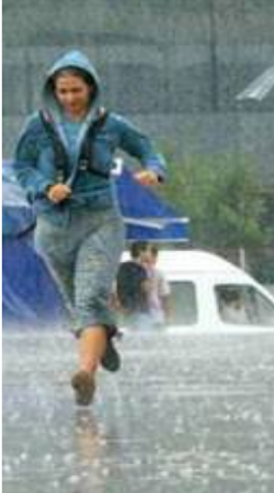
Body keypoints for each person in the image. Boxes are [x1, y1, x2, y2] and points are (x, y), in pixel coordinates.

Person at [12, 50, 166, 406]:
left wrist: (154, 171)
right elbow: (22, 167)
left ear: (91, 88)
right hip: (53, 227)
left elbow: (147, 149)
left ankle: (86, 373)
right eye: (63, 91)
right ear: (53, 91)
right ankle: (103, 338)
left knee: (91, 297)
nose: (69, 98)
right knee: (77, 304)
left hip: (100, 221)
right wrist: (44, 186)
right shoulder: (37, 126)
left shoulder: (111, 124)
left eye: (76, 90)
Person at [130, 241, 171, 327]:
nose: (143, 264)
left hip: (156, 316)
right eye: (140, 261)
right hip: (138, 317)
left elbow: (165, 297)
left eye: (147, 261)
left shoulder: (158, 274)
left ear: (154, 260)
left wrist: (167, 318)